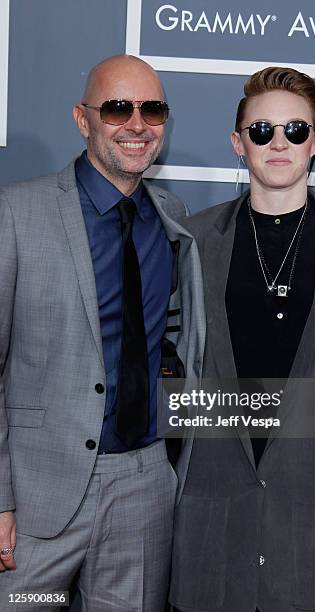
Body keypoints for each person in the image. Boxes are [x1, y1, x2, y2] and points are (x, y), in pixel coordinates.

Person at [169, 67, 315, 612]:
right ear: (238, 142)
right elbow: (173, 379)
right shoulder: (192, 240)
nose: (278, 143)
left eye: (295, 130)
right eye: (261, 130)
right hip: (211, 523)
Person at [0, 54, 204, 611]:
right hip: (36, 494)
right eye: (117, 108)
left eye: (152, 109)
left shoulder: (169, 216)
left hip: (142, 485)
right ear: (81, 118)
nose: (136, 124)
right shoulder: (15, 214)